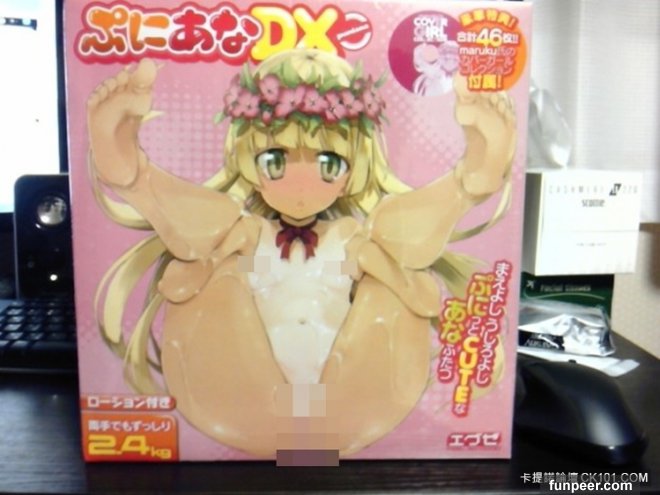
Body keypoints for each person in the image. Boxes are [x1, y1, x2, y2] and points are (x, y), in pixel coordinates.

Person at [87, 48, 516, 457]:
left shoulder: (350, 240)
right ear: (248, 163)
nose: (301, 185)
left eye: (328, 164)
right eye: (275, 161)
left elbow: (411, 287)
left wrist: (410, 283)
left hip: (347, 407)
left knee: (393, 238)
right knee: (211, 232)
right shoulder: (246, 234)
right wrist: (197, 267)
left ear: (353, 171)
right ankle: (130, 170)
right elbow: (194, 263)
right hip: (247, 402)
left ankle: (473, 178)